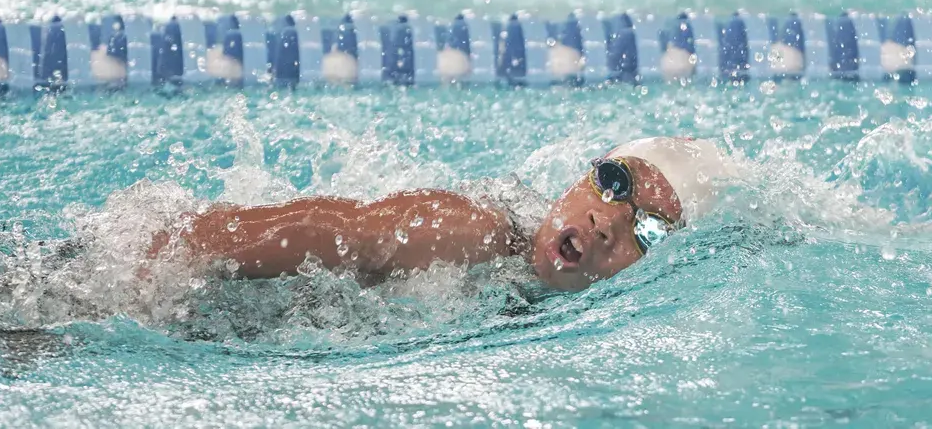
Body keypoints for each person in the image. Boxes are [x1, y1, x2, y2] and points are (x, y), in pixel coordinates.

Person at [146, 137, 736, 293]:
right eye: (614, 183)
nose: (610, 221)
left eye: (650, 230)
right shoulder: (468, 230)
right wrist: (128, 279)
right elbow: (329, 232)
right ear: (586, 173)